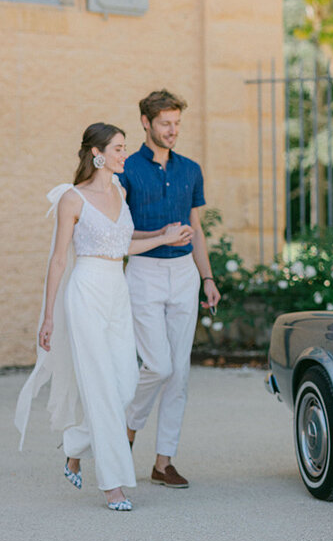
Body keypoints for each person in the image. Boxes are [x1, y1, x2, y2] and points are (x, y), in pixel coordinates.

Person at [15, 123, 191, 511]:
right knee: (99, 387)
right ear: (97, 153)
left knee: (126, 385)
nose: (123, 155)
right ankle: (114, 484)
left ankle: (75, 446)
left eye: (124, 148)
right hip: (86, 293)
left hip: (117, 292)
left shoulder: (120, 192)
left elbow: (123, 244)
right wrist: (48, 317)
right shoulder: (72, 199)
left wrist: (163, 236)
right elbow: (59, 259)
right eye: (117, 148)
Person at [119, 90, 220, 488]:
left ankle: (164, 462)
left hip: (185, 276)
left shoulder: (190, 169)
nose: (172, 130)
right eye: (165, 124)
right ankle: (125, 432)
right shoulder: (125, 169)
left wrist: (207, 278)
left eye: (176, 123)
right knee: (157, 365)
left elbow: (195, 229)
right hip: (143, 272)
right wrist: (160, 235)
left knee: (179, 372)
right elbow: (119, 233)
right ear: (145, 123)